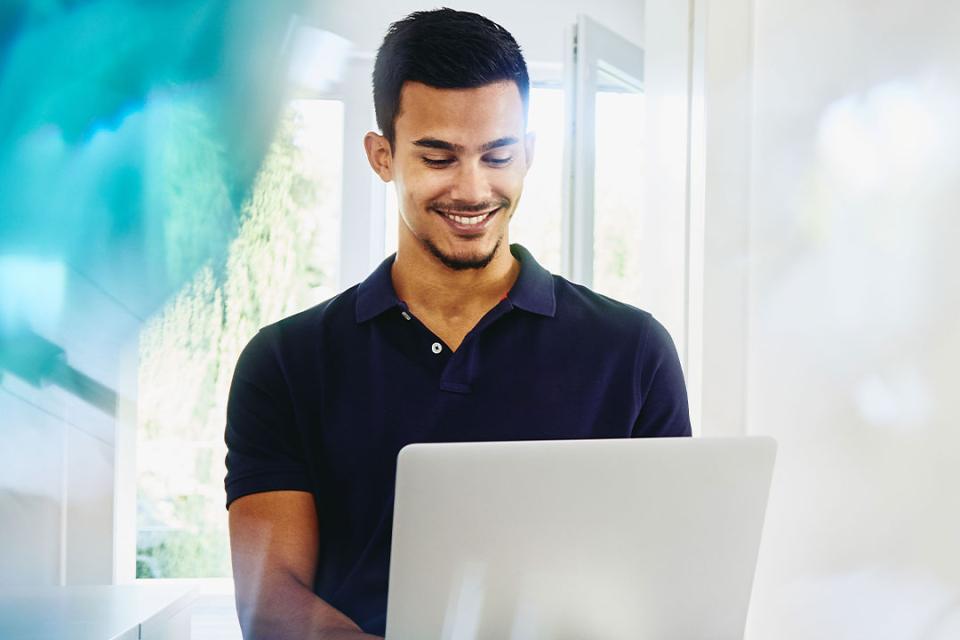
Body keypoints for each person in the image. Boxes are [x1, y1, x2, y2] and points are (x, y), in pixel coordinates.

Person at [225, 8, 690, 639]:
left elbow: (670, 580)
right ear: (381, 156)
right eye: (439, 157)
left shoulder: (633, 352)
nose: (473, 190)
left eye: (497, 155)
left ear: (528, 153)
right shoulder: (285, 361)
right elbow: (269, 599)